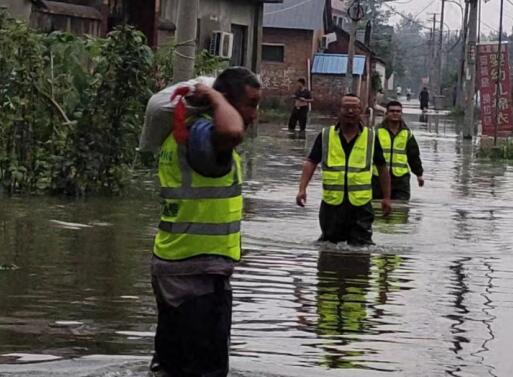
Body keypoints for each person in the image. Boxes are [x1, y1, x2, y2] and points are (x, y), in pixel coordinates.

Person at [150, 67, 262, 377]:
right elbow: (231, 132)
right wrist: (213, 96)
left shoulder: (181, 136)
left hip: (174, 266)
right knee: (206, 371)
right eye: (250, 103)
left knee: (171, 368)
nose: (254, 114)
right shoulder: (203, 135)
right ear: (224, 101)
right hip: (196, 275)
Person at [296, 94, 392, 246]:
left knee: (362, 248)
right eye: (346, 107)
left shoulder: (370, 137)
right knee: (329, 247)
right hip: (332, 205)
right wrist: (302, 189)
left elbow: (382, 168)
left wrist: (387, 197)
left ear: (361, 112)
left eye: (355, 108)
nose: (350, 111)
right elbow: (311, 162)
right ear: (339, 111)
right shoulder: (326, 136)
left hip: (361, 206)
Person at [372, 101, 424, 201]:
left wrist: (419, 174)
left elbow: (413, 156)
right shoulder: (376, 132)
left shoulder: (407, 134)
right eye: (392, 111)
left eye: (398, 111)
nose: (395, 113)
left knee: (401, 209)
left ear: (401, 114)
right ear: (386, 113)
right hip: (377, 178)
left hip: (401, 179)